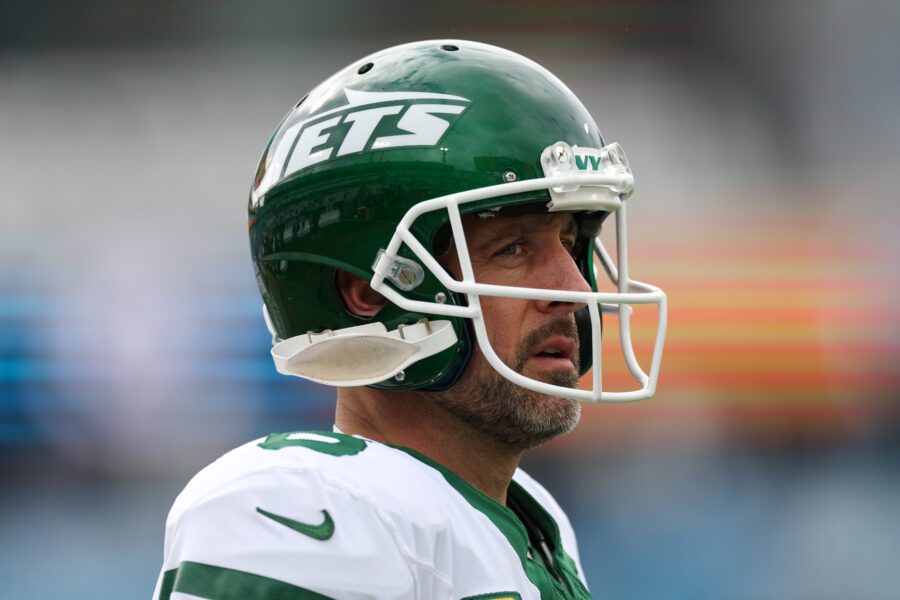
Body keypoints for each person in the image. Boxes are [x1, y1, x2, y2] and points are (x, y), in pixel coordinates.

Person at [154, 40, 666, 599]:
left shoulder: (534, 522)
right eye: (514, 249)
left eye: (570, 244)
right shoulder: (302, 502)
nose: (573, 288)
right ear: (369, 293)